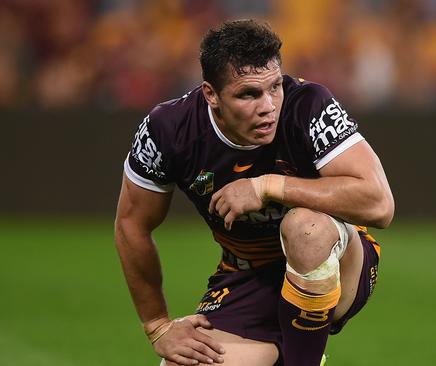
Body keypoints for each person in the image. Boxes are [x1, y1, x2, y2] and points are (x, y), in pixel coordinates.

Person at [114, 19, 394, 366]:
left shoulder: (309, 105)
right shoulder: (167, 130)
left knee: (306, 228)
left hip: (339, 260)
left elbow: (379, 204)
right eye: (249, 94)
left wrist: (267, 186)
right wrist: (157, 325)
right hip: (248, 276)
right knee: (181, 364)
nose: (268, 105)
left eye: (274, 87)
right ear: (211, 94)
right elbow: (131, 224)